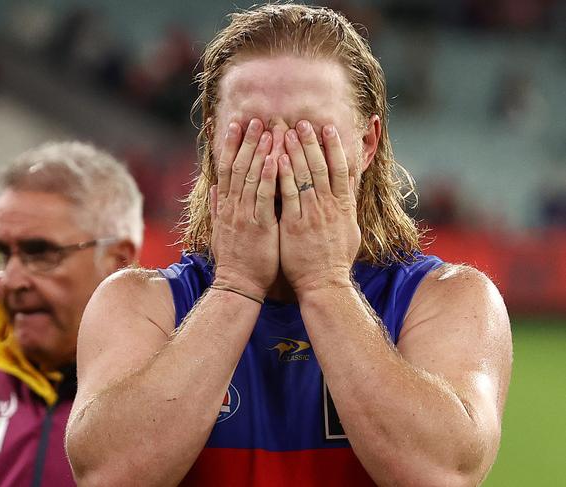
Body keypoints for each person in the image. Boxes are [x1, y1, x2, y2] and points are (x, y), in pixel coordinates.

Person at [65, 4, 512, 487]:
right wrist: (236, 286)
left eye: (310, 133)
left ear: (367, 143)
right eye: (253, 132)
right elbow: (106, 475)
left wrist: (325, 283)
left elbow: (440, 473)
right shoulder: (136, 305)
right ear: (213, 143)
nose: (280, 161)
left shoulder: (452, 301)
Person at [0, 141, 143, 487]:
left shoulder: (172, 389)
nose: (12, 281)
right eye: (2, 254)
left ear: (118, 263)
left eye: (40, 252)